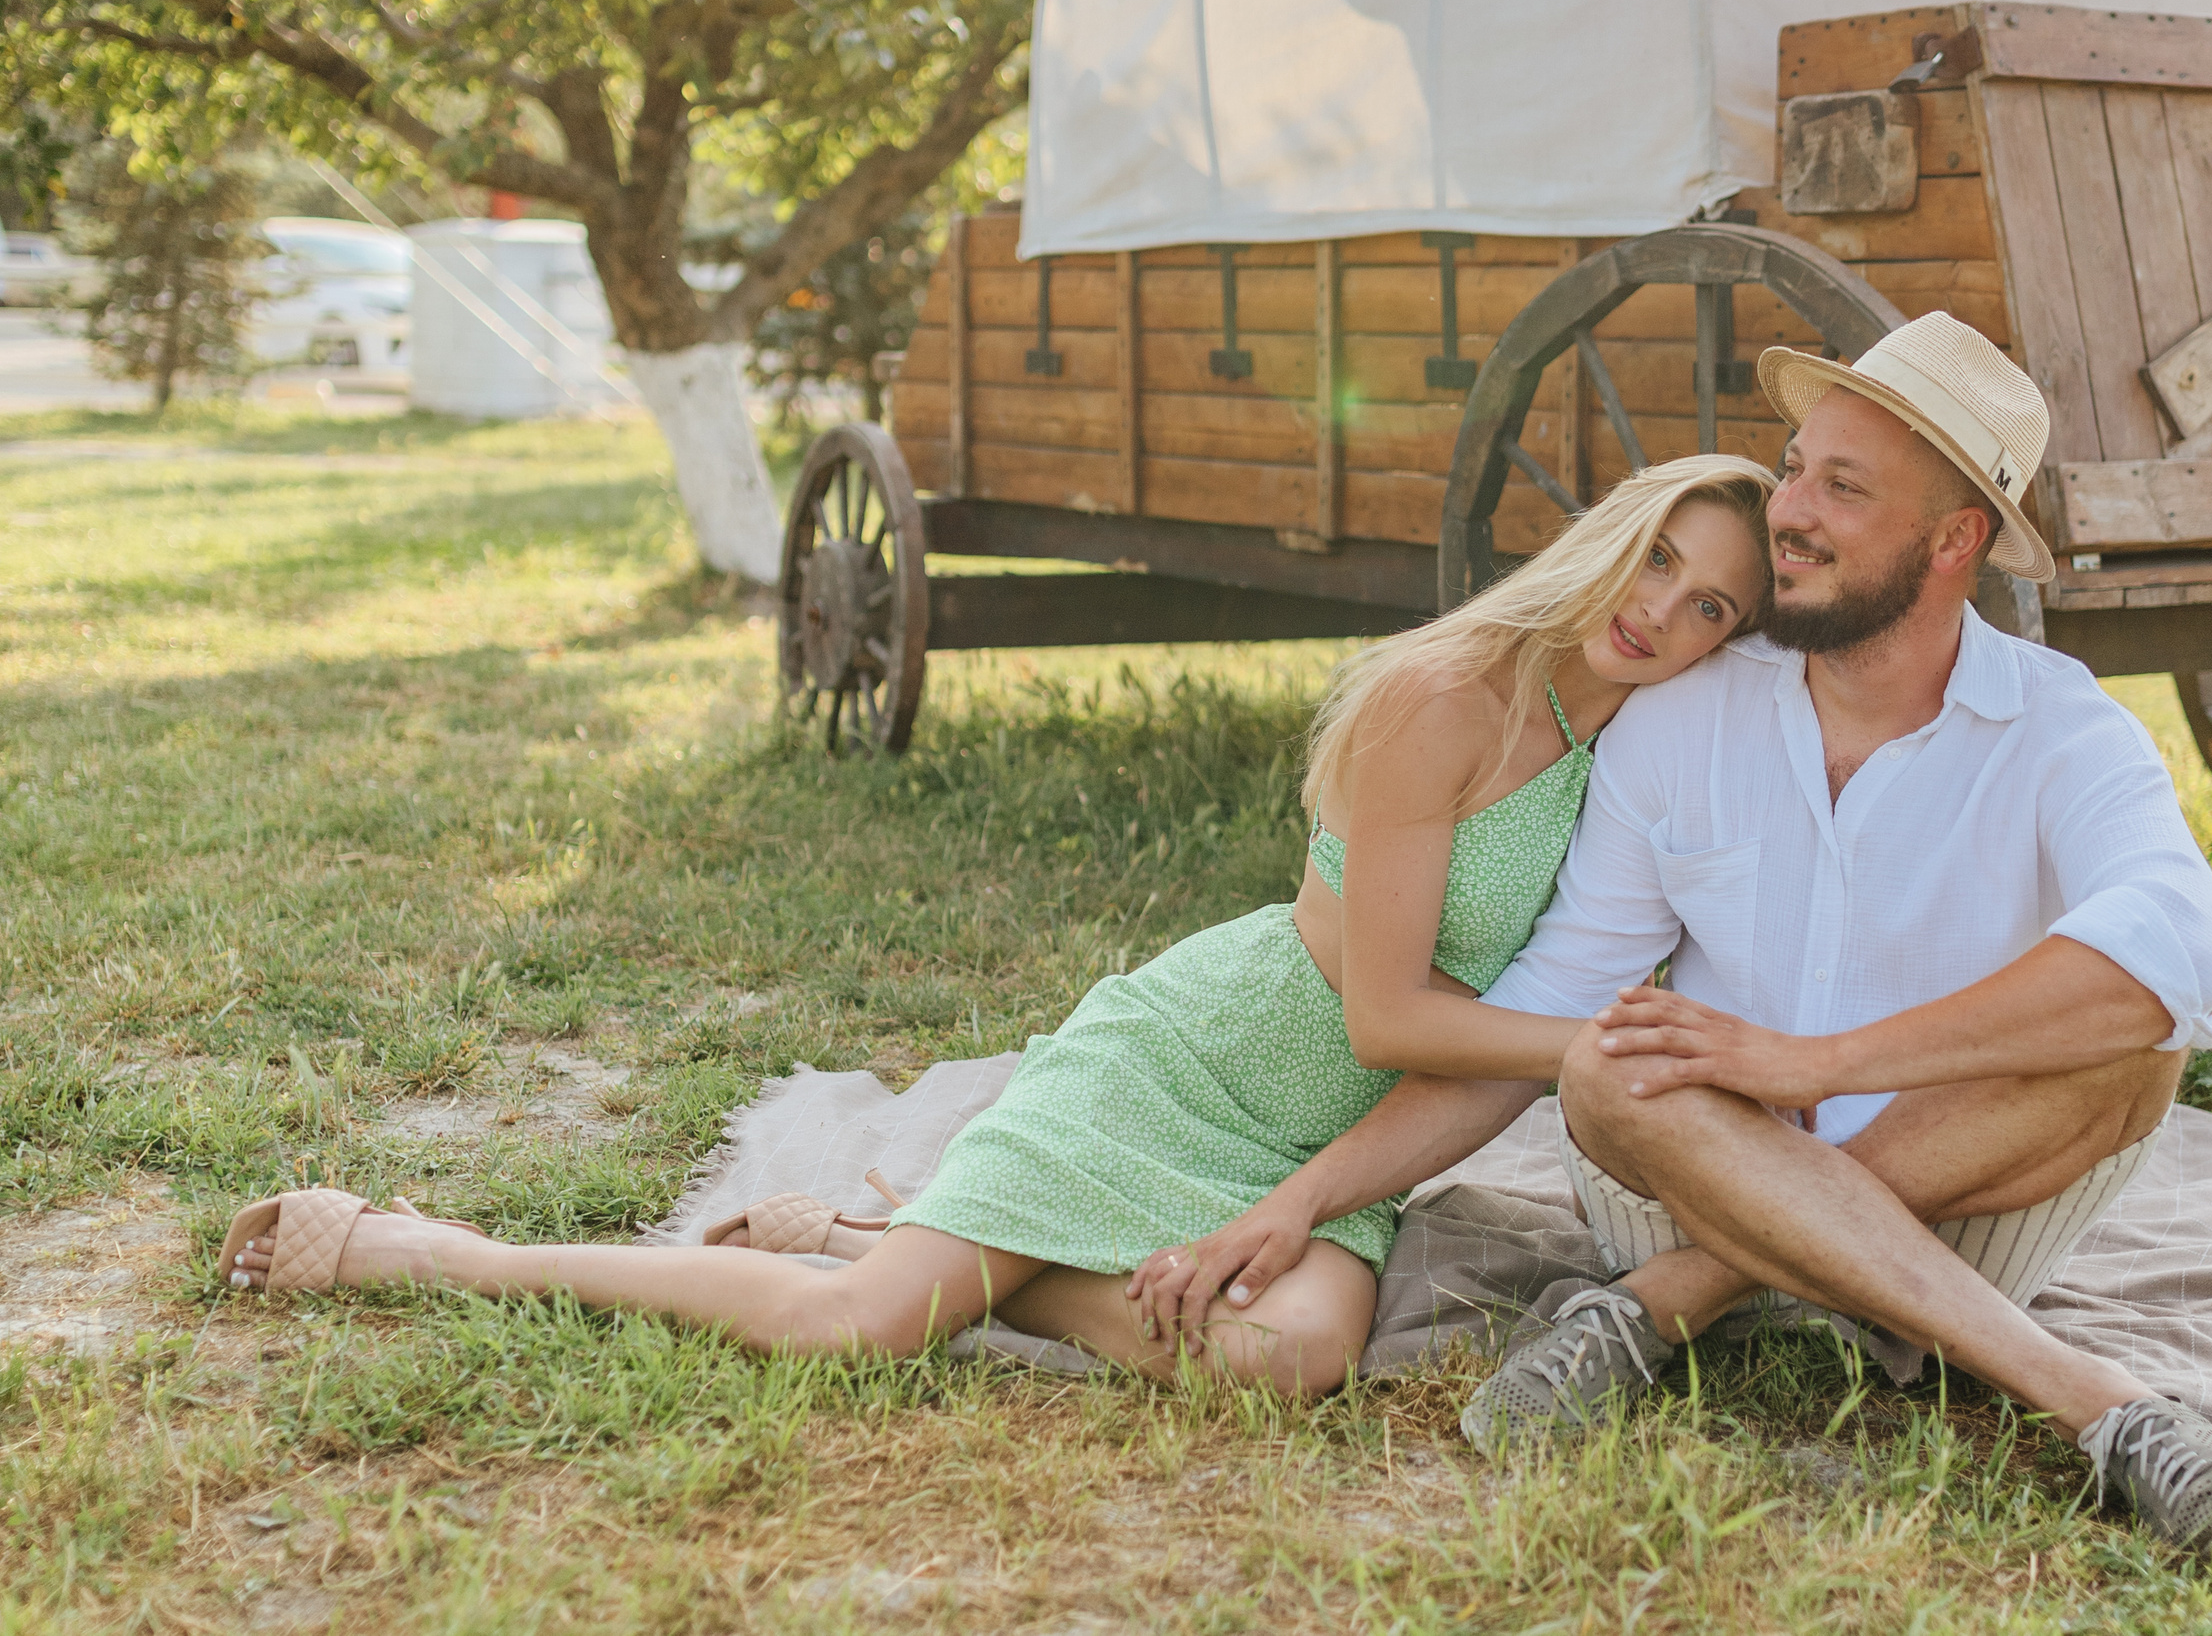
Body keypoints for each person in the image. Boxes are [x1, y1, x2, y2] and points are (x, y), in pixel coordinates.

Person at [215, 454, 1776, 1397]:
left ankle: (902, 1234)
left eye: (1712, 605)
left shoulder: (1622, 752)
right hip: (1210, 1061)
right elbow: (1386, 1015)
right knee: (858, 1337)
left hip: (1330, 1143)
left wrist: (1309, 1195)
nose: (1664, 611)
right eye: (1660, 559)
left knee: (1285, 1361)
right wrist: (1600, 1042)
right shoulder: (1441, 697)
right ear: (1610, 534)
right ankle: (443, 1250)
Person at [1124, 312, 2212, 1558]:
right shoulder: (1686, 719)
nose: (1790, 509)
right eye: (1793, 467)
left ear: (1953, 541)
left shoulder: (2061, 728)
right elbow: (1551, 1003)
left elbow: (2174, 943)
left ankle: (1659, 1312)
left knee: (2139, 1040)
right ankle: (2096, 1405)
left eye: (1842, 486)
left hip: (1968, 1190)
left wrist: (1820, 1065)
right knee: (1607, 1054)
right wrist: (1304, 1198)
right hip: (1685, 1176)